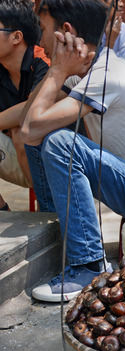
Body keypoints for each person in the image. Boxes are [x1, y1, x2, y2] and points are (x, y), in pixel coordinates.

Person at [21, 0, 125, 302]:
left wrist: (57, 69)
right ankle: (60, 230)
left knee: (58, 142)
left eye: (43, 29)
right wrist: (58, 72)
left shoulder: (107, 74)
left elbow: (30, 128)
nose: (38, 38)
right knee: (46, 134)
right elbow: (29, 126)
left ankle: (88, 265)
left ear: (65, 32)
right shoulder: (90, 68)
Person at [0, 0, 49, 211]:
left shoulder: (42, 62)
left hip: (55, 162)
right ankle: (3, 211)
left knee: (22, 133)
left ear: (16, 37)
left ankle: (47, 210)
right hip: (17, 159)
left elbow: (32, 110)